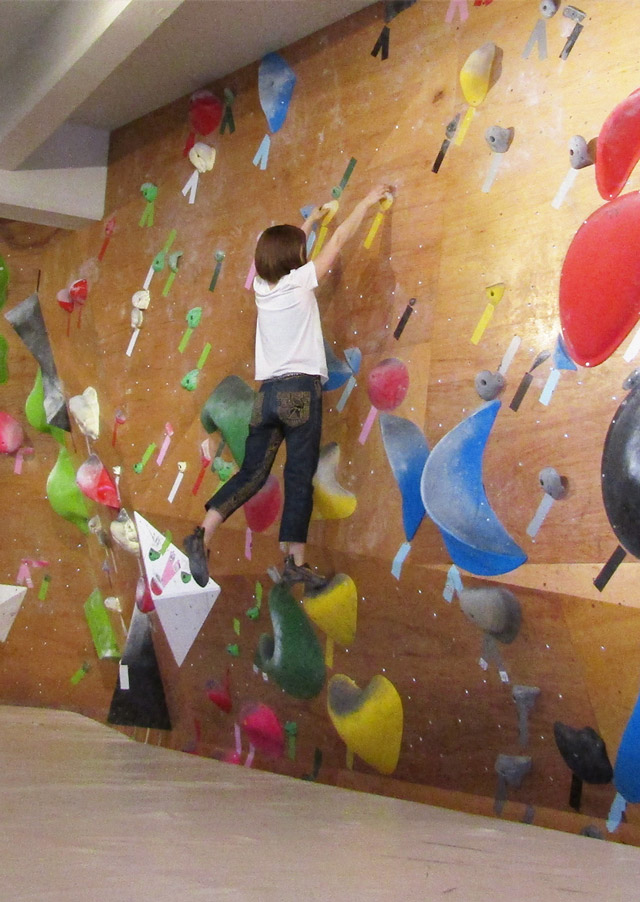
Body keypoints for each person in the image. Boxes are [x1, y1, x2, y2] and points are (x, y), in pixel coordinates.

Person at [184, 182, 393, 589]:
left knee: (252, 472)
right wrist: (366, 202)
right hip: (299, 392)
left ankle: (203, 531)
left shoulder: (264, 289)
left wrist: (309, 220)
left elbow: (281, 251)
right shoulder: (301, 281)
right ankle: (294, 560)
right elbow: (340, 239)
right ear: (294, 259)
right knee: (299, 475)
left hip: (268, 397)